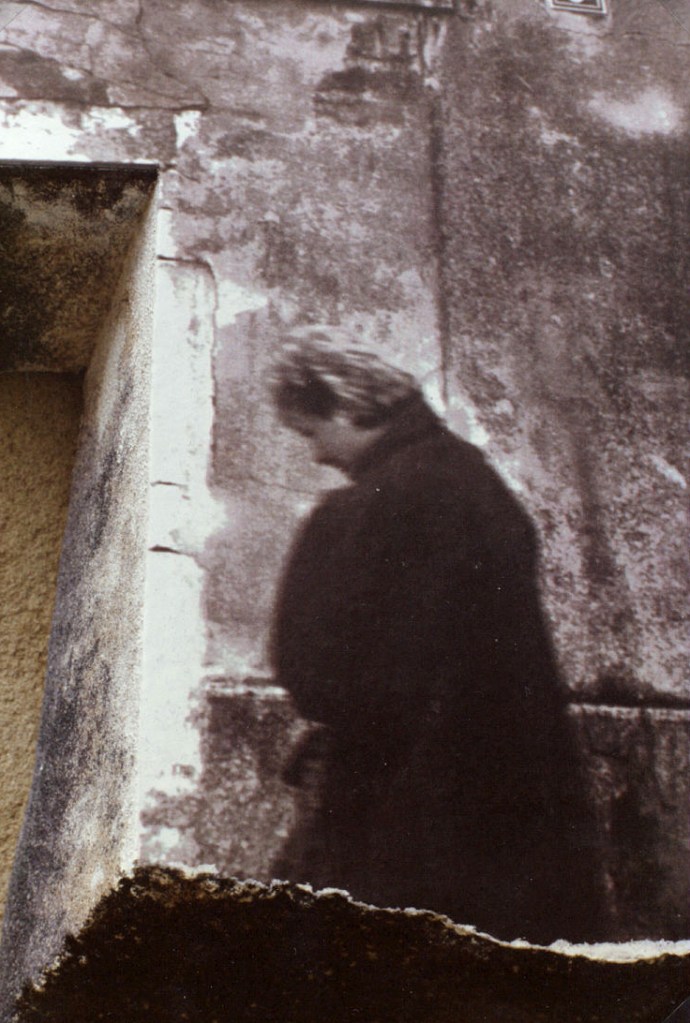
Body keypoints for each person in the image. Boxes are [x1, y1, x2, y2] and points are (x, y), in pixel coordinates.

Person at [269, 338, 603, 942]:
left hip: (404, 806)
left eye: (311, 433)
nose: (316, 454)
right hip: (520, 796)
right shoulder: (478, 482)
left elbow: (313, 670)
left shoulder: (365, 509)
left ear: (346, 408)